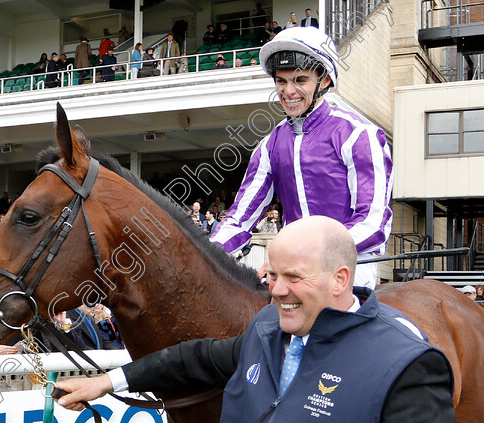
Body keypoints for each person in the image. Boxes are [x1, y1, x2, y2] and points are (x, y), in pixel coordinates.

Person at [55, 217, 454, 421]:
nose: (277, 291)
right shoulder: (266, 327)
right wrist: (106, 382)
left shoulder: (409, 367)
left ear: (340, 279)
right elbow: (196, 359)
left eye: (294, 278)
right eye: (273, 275)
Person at [211, 27, 393, 289]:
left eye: (300, 80)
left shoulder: (360, 135)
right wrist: (204, 252)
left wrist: (304, 257)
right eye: (281, 81)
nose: (289, 91)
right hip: (292, 267)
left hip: (348, 266)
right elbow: (240, 217)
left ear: (326, 80)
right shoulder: (269, 145)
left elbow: (373, 222)